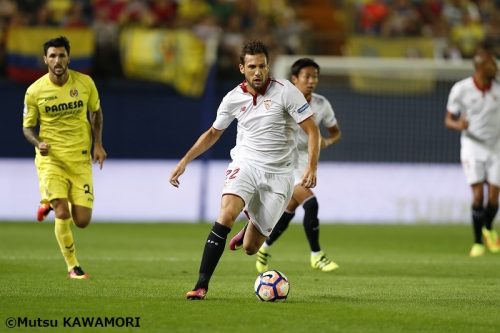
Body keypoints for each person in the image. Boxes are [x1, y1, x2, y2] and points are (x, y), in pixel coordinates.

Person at [169, 40, 320, 300]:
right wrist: (185, 161)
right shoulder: (232, 98)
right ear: (242, 68)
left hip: (280, 175)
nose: (258, 72)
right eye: (252, 66)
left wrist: (311, 167)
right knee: (226, 214)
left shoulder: (286, 92)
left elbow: (312, 130)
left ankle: (249, 223)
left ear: (268, 66)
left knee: (251, 248)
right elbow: (213, 133)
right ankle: (201, 285)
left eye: (262, 66)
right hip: (246, 165)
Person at [22, 36, 107, 278]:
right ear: (45, 59)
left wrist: (98, 144)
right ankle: (73, 266)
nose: (57, 60)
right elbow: (27, 127)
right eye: (52, 56)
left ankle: (47, 201)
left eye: (61, 55)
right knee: (63, 212)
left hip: (79, 160)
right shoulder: (35, 91)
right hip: (52, 160)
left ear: (68, 57)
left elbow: (96, 113)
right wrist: (39, 143)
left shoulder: (85, 83)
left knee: (82, 220)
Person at [255, 58, 341, 273]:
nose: (312, 81)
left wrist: (326, 142)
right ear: (295, 79)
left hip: (305, 160)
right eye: (307, 77)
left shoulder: (322, 104)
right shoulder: (283, 100)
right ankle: (316, 255)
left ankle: (264, 248)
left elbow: (335, 132)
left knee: (288, 212)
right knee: (311, 204)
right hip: (284, 162)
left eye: (315, 77)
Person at [445, 46, 500, 257]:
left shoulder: (498, 89)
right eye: (492, 64)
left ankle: (488, 227)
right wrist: (458, 125)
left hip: (496, 146)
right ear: (480, 67)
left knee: (494, 198)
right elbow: (448, 119)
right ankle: (478, 242)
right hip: (472, 145)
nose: (495, 67)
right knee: (478, 196)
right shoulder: (461, 89)